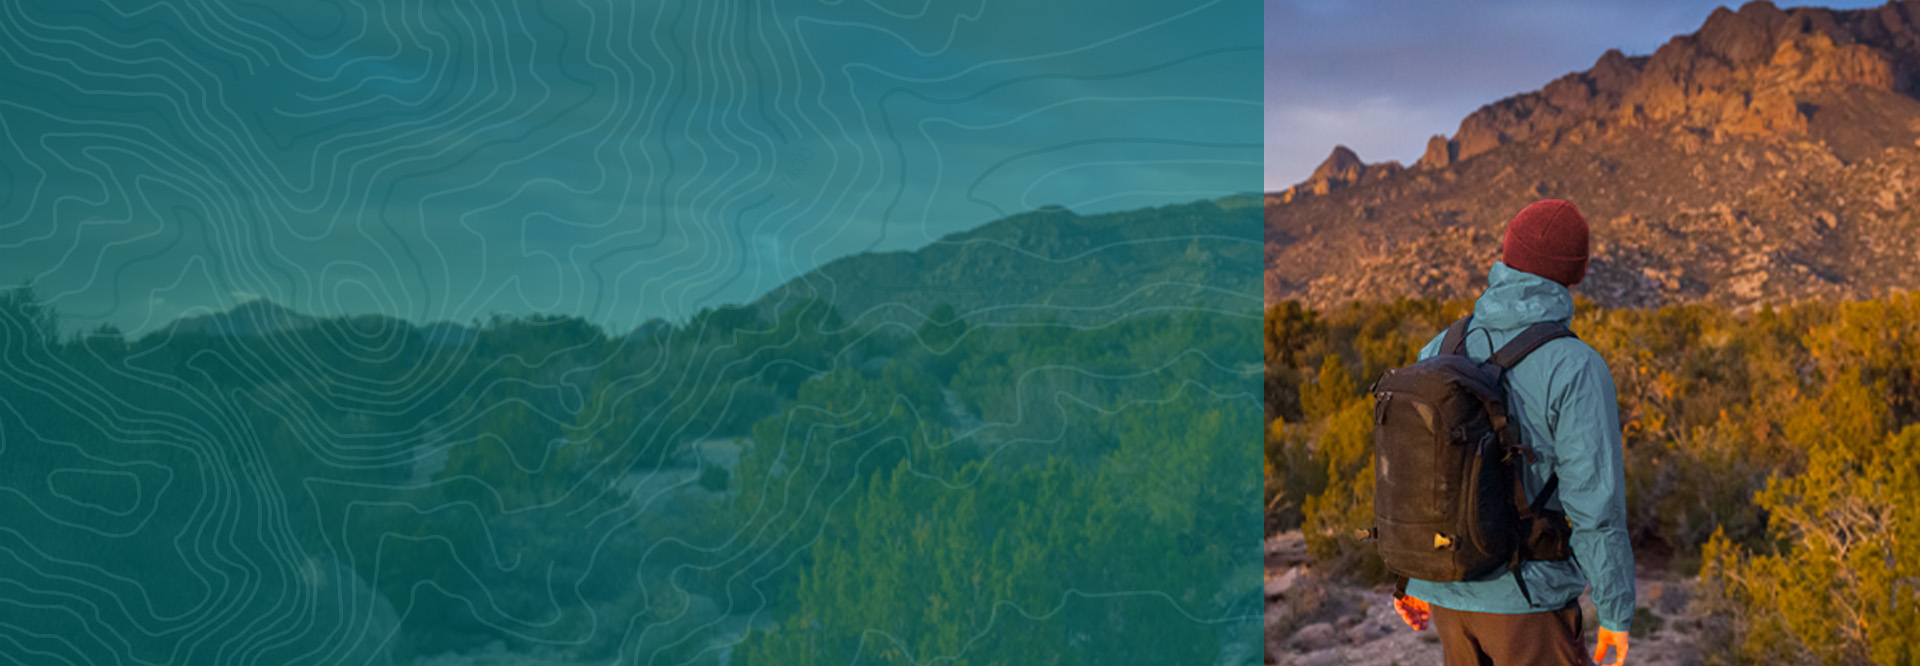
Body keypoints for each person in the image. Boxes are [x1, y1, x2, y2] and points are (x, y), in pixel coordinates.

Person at [1390, 199, 1635, 666]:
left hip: (1449, 597)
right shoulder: (1576, 365)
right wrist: (1616, 611)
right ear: (1577, 272)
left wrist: (1415, 578)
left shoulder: (1441, 346)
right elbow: (1595, 508)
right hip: (1528, 605)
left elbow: (1414, 475)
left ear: (1505, 256)